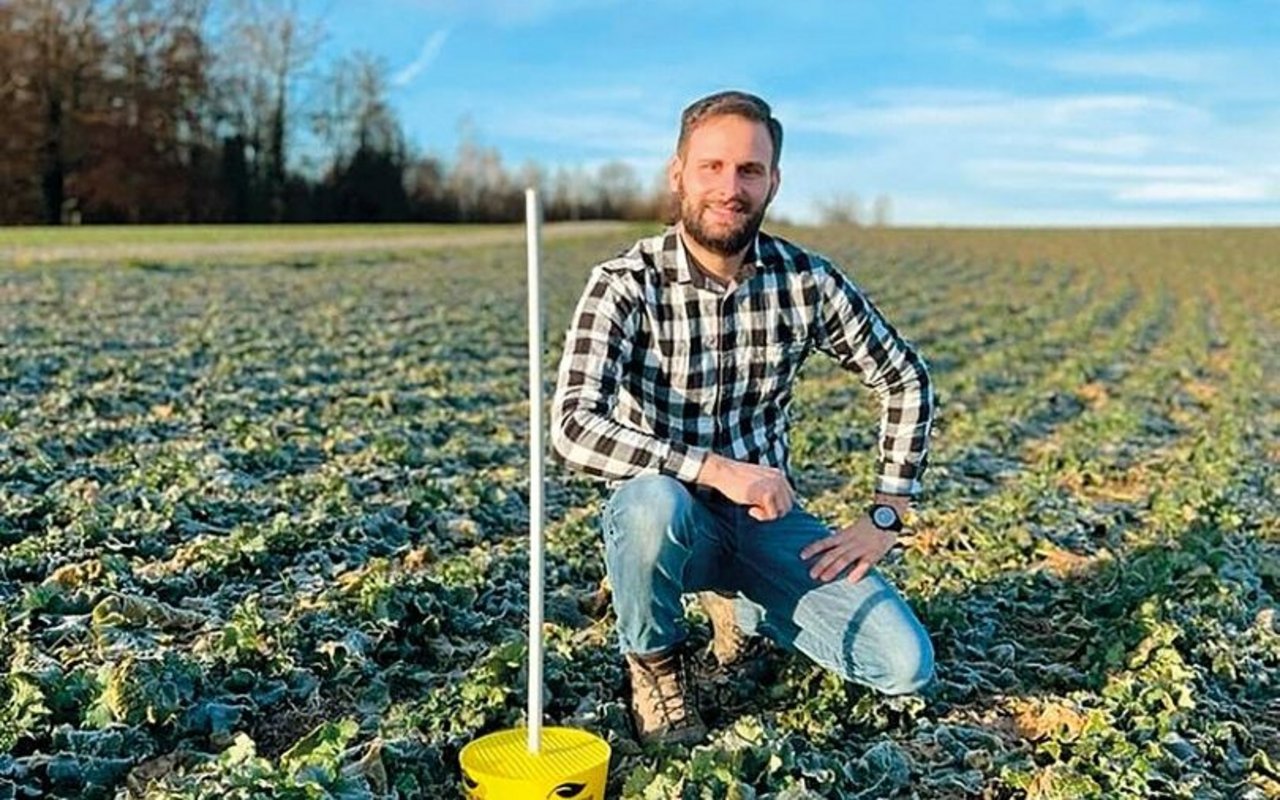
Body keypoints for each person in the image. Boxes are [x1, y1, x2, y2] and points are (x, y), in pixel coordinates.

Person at [550, 89, 936, 746]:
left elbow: (905, 377)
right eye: (712, 166)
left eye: (749, 171)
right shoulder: (626, 282)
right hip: (673, 514)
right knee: (651, 509)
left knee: (905, 666)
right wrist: (714, 469)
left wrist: (886, 515)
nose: (730, 187)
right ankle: (655, 666)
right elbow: (573, 426)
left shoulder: (805, 282)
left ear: (773, 182)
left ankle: (743, 610)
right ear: (679, 174)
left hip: (766, 524)